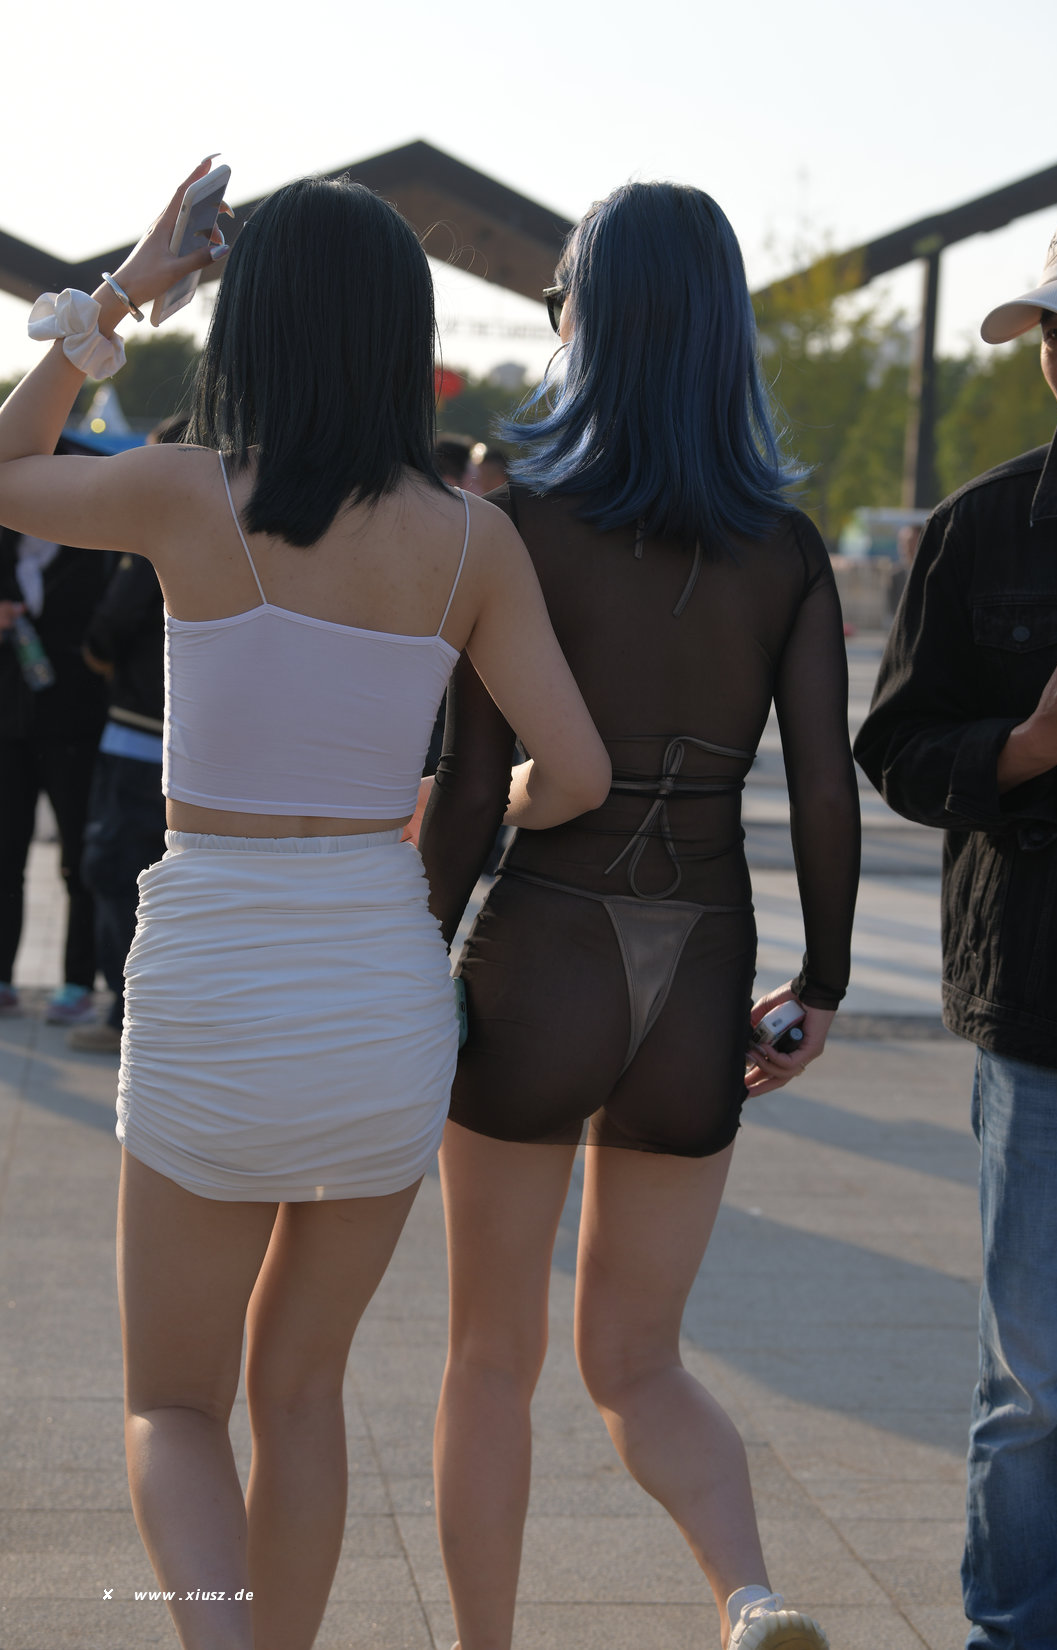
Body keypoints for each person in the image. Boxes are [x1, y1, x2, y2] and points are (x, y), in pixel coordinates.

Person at [0, 161, 609, 1650]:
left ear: (252, 322)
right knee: (304, 1391)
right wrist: (467, 806)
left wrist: (123, 293)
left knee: (172, 1406)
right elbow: (579, 771)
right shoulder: (471, 539)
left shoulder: (186, 490)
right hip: (378, 989)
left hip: (213, 976)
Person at [418, 181, 860, 1650]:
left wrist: (411, 955)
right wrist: (821, 986)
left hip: (543, 945)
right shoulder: (787, 551)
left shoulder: (516, 528)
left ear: (586, 326)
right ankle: (752, 1596)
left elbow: (471, 788)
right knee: (639, 1359)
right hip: (703, 961)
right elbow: (823, 792)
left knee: (490, 1359)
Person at [854, 204, 1057, 1650]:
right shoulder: (978, 530)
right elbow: (893, 748)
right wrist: (1034, 742)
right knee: (1038, 1388)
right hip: (1046, 1026)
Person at [74, 416, 187, 1055]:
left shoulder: (155, 537)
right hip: (200, 748)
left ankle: (127, 1019)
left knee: (119, 873)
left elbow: (106, 632)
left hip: (139, 736)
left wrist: (103, 662)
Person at [0, 438, 112, 1023]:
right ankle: (2, 978)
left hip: (77, 723)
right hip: (7, 722)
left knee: (79, 861)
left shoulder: (101, 551)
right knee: (4, 855)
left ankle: (76, 982)